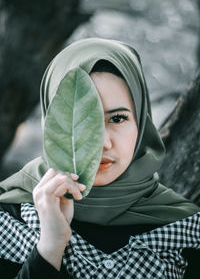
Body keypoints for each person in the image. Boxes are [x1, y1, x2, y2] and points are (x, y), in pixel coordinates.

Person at [0, 38, 199, 279]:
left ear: (142, 124)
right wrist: (50, 247)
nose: (102, 143)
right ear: (51, 123)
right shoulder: (9, 219)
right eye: (81, 121)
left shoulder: (184, 228)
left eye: (117, 119)